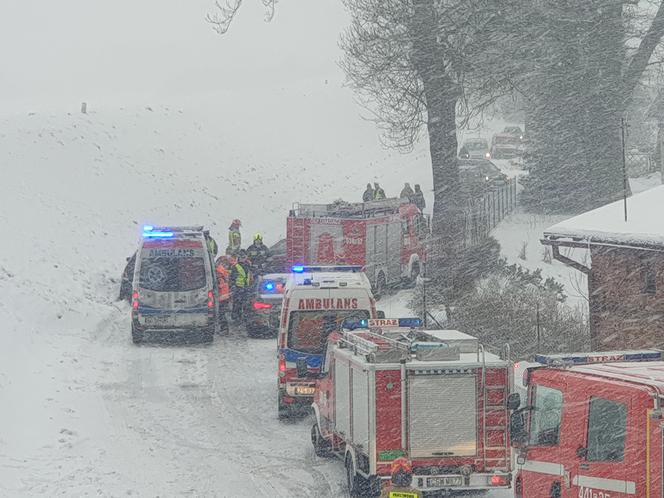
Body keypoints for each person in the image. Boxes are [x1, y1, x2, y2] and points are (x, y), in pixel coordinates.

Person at [230, 251, 250, 321]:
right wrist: (233, 286)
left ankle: (241, 316)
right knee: (237, 303)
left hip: (245, 287)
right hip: (238, 288)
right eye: (241, 257)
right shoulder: (235, 267)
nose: (243, 259)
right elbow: (232, 278)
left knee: (244, 303)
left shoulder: (247, 266)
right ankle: (236, 317)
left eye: (244, 257)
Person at [215, 255, 232, 331]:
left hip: (222, 298)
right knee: (222, 314)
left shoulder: (220, 276)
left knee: (221, 314)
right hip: (225, 297)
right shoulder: (224, 273)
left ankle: (224, 329)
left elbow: (220, 287)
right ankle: (224, 328)